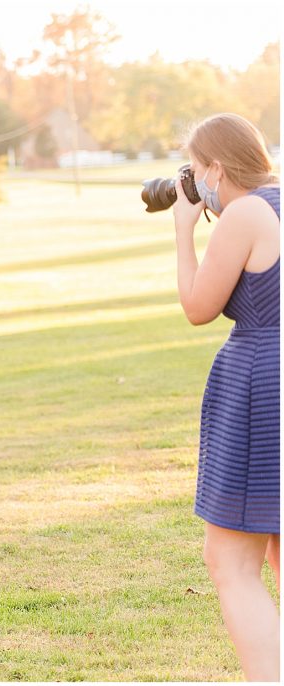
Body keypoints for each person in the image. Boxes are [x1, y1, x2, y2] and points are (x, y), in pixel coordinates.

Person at [172, 113, 279, 681]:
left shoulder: (244, 212)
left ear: (216, 167)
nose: (196, 183)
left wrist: (183, 232)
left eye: (196, 171)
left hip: (263, 389)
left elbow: (198, 306)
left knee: (231, 563)